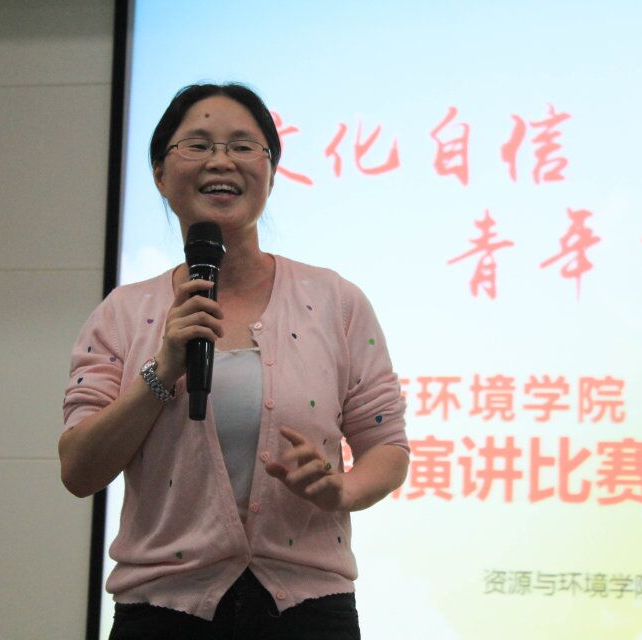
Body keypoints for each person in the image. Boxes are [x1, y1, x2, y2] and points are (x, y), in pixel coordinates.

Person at [59, 83, 409, 639]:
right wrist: (161, 372)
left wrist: (341, 490)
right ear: (159, 174)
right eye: (197, 145)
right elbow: (79, 471)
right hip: (162, 613)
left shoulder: (335, 301)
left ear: (271, 172)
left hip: (309, 612)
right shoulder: (122, 314)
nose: (221, 161)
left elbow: (387, 446)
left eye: (244, 146)